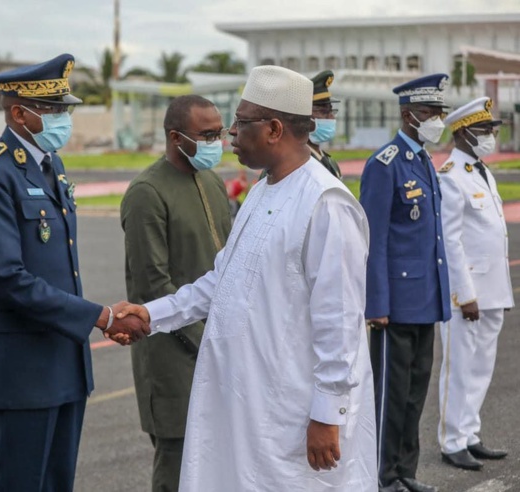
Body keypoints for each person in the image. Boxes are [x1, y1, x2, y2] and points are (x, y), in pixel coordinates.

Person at [118, 65, 377, 492]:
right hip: (247, 402)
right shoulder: (262, 190)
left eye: (241, 122)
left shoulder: (326, 203)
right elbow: (222, 281)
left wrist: (329, 414)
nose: (231, 134)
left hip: (294, 408)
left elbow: (341, 321)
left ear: (275, 129)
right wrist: (150, 314)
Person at [0, 54, 149, 492]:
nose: (65, 118)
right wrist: (101, 317)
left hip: (63, 364)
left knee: (57, 483)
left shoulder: (51, 166)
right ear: (19, 113)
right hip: (21, 372)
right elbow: (8, 279)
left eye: (66, 109)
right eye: (54, 110)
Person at [121, 95, 232, 492]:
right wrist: (211, 342)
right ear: (175, 137)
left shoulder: (213, 181)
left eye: (218, 132)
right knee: (180, 463)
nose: (216, 141)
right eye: (206, 134)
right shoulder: (146, 193)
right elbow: (155, 287)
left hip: (218, 346)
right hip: (174, 356)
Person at [360, 74, 452, 492]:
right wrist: (375, 303)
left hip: (424, 300)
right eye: (431, 112)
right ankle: (382, 476)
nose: (437, 120)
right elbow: (374, 239)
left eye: (439, 112)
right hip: (394, 305)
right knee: (390, 396)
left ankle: (406, 473)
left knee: (415, 394)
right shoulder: (385, 164)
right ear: (408, 114)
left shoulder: (423, 163)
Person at [437, 97, 513, 470]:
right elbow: (449, 240)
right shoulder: (451, 176)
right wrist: (463, 294)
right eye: (485, 131)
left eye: (492, 130)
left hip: (493, 290)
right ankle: (452, 441)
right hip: (466, 295)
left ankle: (470, 433)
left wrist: (498, 292)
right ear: (464, 132)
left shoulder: (482, 172)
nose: (491, 137)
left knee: (482, 367)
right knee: (460, 368)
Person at [259, 69, 342, 180]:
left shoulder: (330, 163)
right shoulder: (286, 167)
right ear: (301, 116)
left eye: (331, 111)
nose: (331, 117)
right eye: (323, 111)